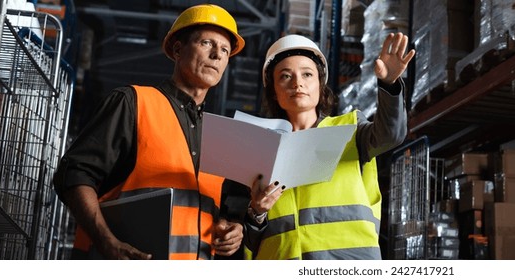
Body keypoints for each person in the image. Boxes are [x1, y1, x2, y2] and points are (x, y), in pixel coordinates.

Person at [52, 4, 259, 260]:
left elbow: (220, 211)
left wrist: (232, 228)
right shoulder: (133, 103)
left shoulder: (220, 135)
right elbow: (73, 175)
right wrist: (107, 241)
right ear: (177, 49)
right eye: (207, 43)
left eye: (225, 50)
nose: (217, 55)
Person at [244, 33, 415, 259]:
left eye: (307, 74)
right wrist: (256, 213)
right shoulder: (258, 149)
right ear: (274, 92)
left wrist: (389, 84)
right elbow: (249, 239)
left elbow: (390, 135)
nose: (298, 83)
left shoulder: (349, 130)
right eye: (285, 76)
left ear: (320, 85)